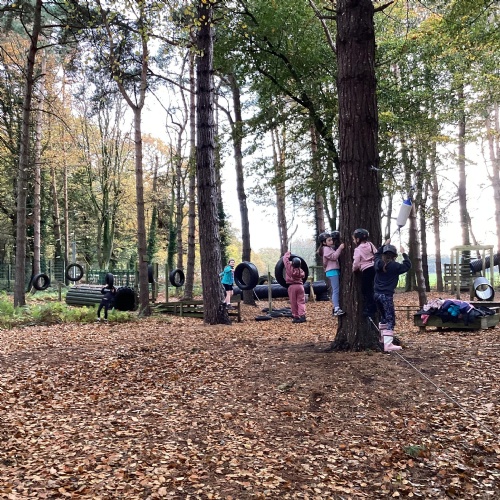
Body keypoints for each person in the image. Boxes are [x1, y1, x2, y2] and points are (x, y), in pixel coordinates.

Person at [374, 239, 412, 352]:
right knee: (390, 319)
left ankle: (382, 339)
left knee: (383, 317)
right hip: (386, 296)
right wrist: (404, 253)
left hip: (376, 295)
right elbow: (407, 265)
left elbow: (376, 255)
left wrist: (383, 245)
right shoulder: (395, 266)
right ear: (395, 256)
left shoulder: (378, 264)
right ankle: (388, 344)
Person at [352, 228, 378, 319]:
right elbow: (376, 253)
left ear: (358, 239)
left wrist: (354, 269)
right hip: (374, 268)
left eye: (354, 239)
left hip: (366, 270)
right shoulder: (370, 244)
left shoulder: (357, 249)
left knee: (366, 290)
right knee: (374, 288)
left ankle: (370, 309)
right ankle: (375, 305)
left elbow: (356, 262)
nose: (353, 241)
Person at [317, 231, 345, 316]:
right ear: (324, 242)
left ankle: (336, 307)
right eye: (329, 240)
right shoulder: (326, 249)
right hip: (332, 271)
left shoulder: (329, 248)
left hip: (333, 270)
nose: (331, 241)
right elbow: (334, 257)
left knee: (336, 289)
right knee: (336, 290)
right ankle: (336, 308)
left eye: (331, 240)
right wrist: (340, 248)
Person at [283, 250, 306, 323]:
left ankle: (296, 316)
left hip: (292, 286)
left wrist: (288, 253)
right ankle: (302, 315)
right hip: (300, 286)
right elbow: (304, 275)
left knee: (293, 302)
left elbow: (285, 260)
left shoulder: (289, 269)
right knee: (301, 302)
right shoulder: (301, 271)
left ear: (292, 263)